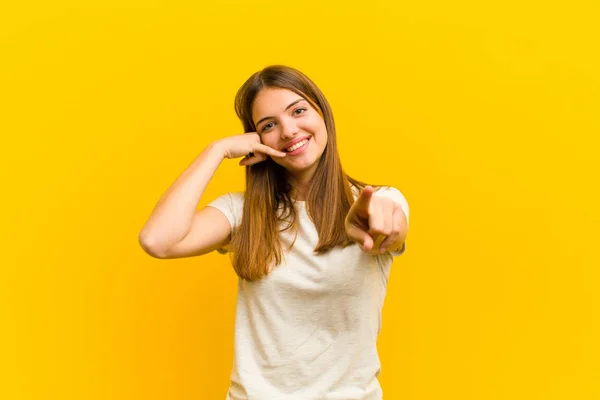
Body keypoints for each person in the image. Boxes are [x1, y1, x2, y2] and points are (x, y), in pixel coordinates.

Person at [138, 65, 410, 400]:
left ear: (322, 113)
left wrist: (378, 226)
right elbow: (157, 240)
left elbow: (391, 226)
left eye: (298, 111)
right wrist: (217, 150)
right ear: (256, 139)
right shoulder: (242, 214)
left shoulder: (377, 202)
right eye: (269, 125)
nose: (288, 130)